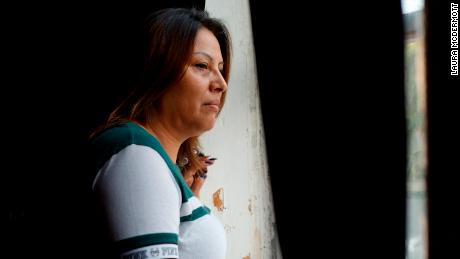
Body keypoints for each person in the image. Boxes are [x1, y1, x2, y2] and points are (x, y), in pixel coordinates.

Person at [87, 7, 231, 259]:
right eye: (202, 65)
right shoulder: (134, 152)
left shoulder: (149, 158)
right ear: (158, 72)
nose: (221, 83)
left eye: (220, 68)